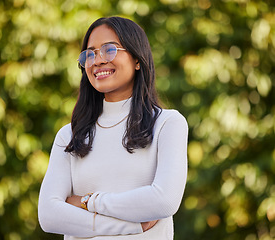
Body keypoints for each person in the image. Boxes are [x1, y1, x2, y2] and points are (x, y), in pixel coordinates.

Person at [38, 16, 188, 240]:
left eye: (109, 50)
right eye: (89, 54)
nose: (97, 61)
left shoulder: (167, 124)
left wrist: (87, 202)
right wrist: (131, 226)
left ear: (137, 59)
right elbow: (49, 215)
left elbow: (164, 200)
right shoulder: (69, 136)